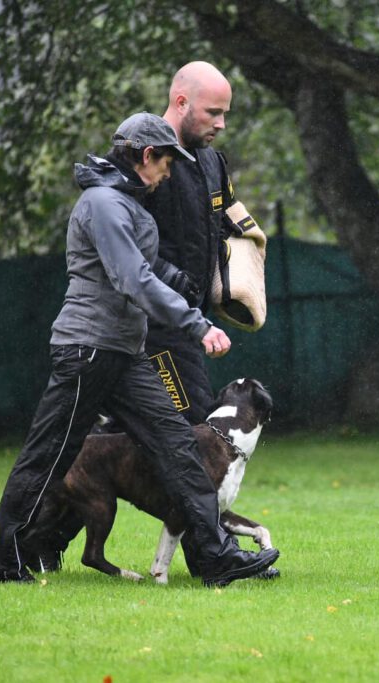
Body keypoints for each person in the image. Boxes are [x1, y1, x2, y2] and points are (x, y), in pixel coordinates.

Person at [0, 112, 279, 586]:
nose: (168, 173)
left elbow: (147, 263)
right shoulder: (103, 204)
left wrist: (183, 280)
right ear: (146, 157)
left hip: (125, 353)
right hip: (87, 350)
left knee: (179, 445)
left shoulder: (128, 205)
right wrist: (195, 323)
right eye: (165, 164)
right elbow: (130, 277)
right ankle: (3, 563)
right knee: (49, 455)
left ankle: (217, 557)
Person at [142, 61, 247, 425]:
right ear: (182, 102)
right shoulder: (145, 159)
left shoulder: (213, 162)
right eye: (213, 113)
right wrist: (179, 284)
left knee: (155, 438)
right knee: (194, 429)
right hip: (151, 325)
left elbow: (227, 231)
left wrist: (239, 278)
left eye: (224, 114)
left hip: (188, 322)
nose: (221, 124)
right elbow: (123, 249)